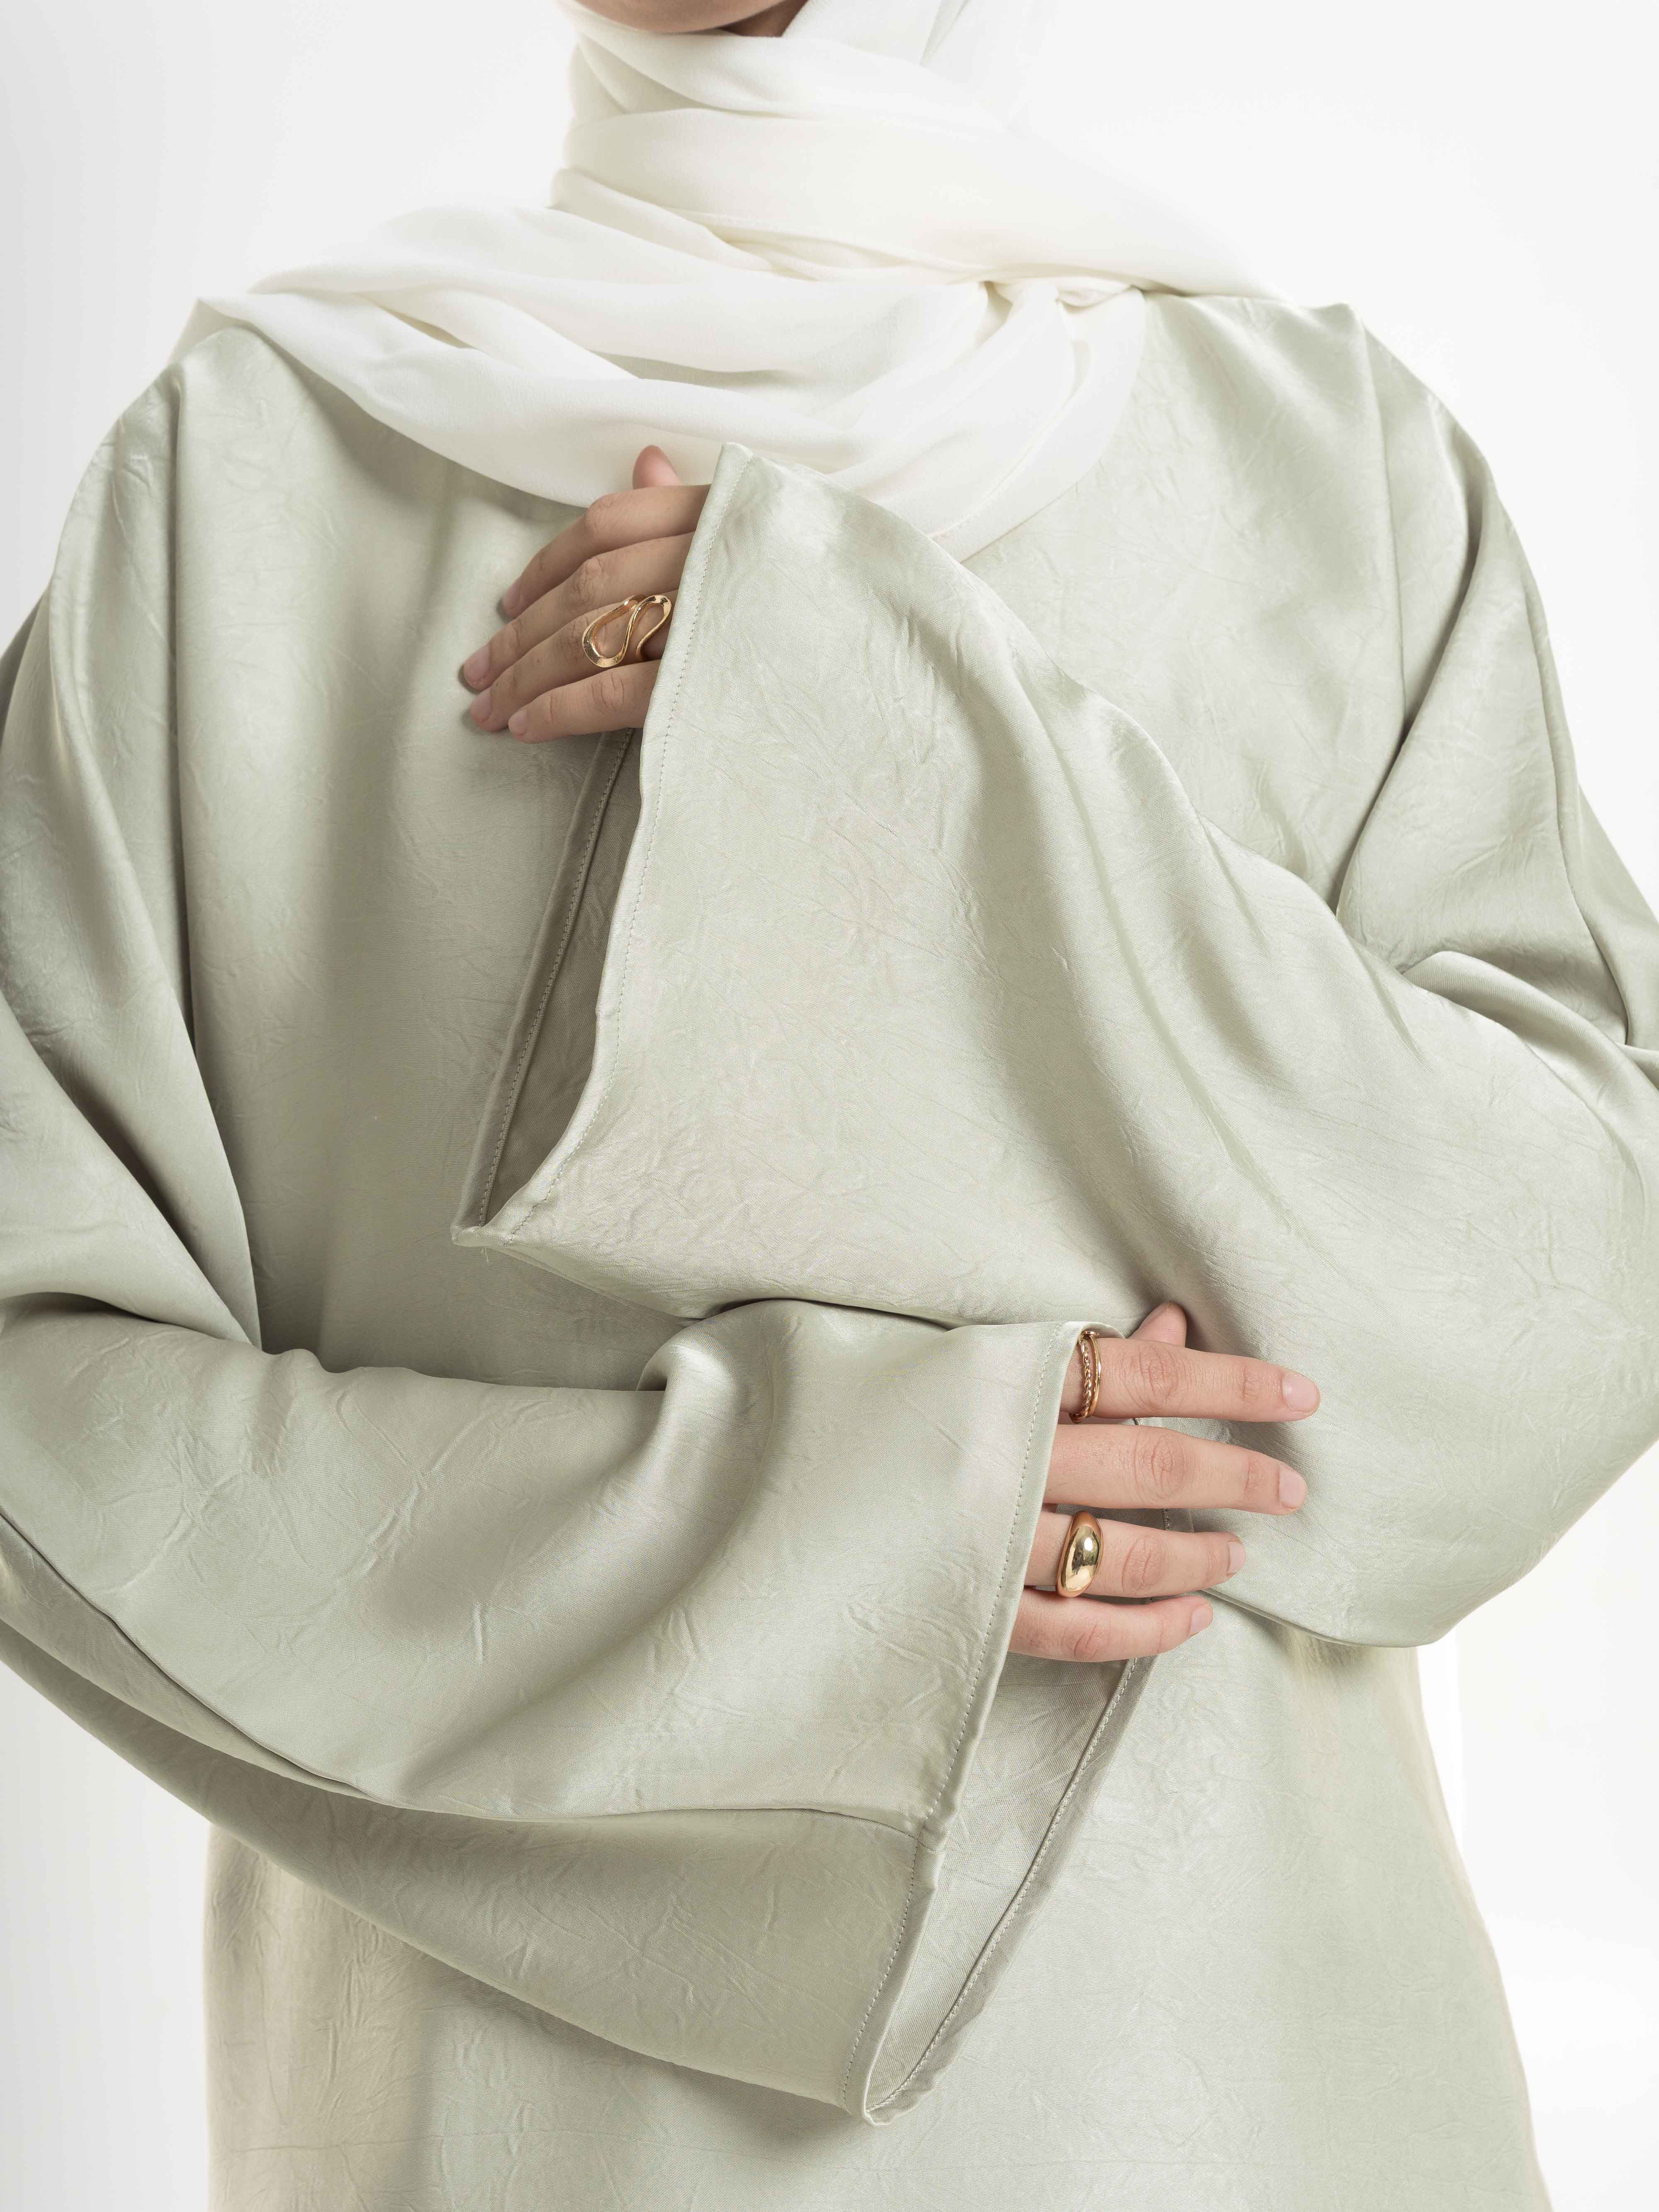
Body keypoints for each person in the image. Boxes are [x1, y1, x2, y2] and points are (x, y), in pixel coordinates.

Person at [2, 1, 1655, 2205]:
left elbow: (1567, 1311)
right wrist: (831, 1547)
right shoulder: (246, 478)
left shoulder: (1320, 467)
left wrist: (900, 744)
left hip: (1248, 2110)